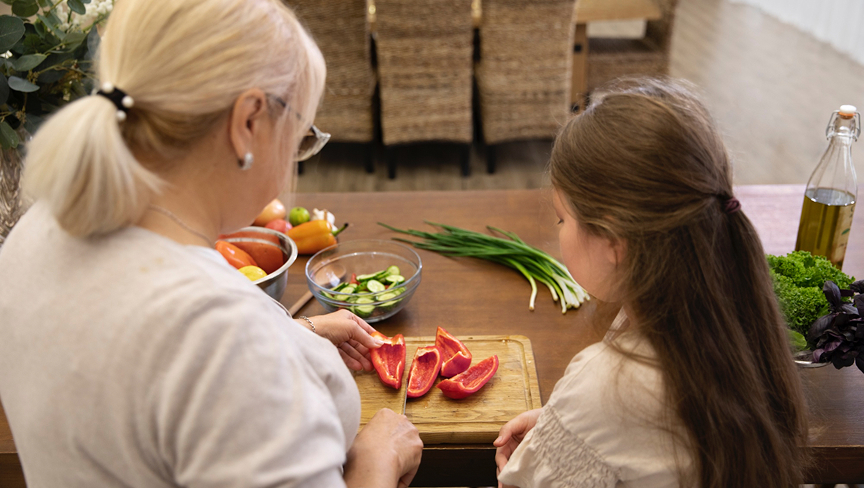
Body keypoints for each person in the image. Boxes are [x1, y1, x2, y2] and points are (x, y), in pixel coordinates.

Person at [0, 0, 422, 486]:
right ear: (248, 123)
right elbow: (210, 349)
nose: (292, 165)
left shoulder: (37, 228)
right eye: (299, 136)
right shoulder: (225, 340)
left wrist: (291, 332)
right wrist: (375, 464)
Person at [494, 79, 810, 487]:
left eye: (561, 218)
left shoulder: (606, 383)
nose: (557, 231)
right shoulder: (739, 315)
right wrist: (568, 430)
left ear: (614, 243)